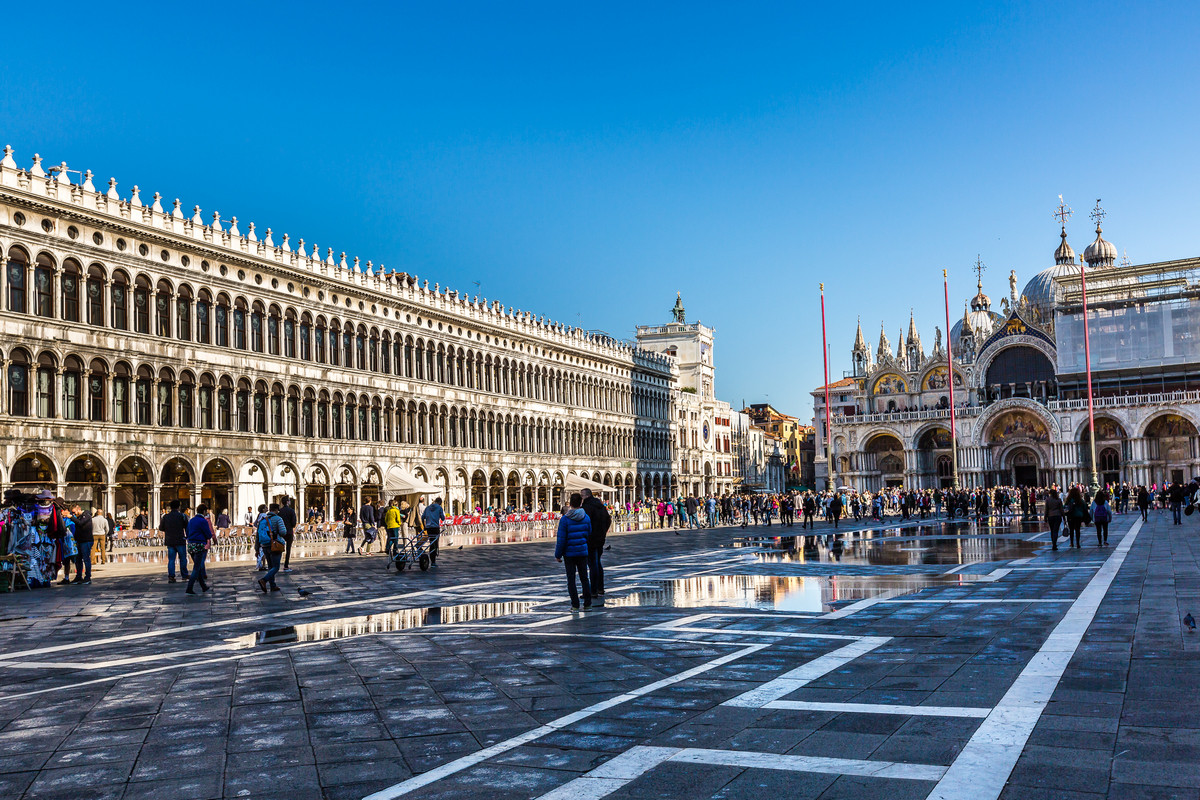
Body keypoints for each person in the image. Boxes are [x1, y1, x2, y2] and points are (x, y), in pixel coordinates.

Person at [554, 493, 592, 610]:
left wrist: (558, 554)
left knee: (571, 579)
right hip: (582, 551)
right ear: (581, 503)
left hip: (569, 553)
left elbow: (561, 539)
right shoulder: (586, 517)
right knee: (584, 578)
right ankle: (588, 604)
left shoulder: (565, 519)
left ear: (570, 503)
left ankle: (575, 605)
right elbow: (589, 533)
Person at [580, 488, 611, 597]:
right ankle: (600, 588)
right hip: (600, 538)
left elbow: (584, 523)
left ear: (586, 496)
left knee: (592, 564)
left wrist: (587, 534)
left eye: (582, 496)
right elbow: (608, 519)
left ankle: (593, 591)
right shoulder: (601, 506)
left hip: (590, 539)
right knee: (597, 563)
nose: (581, 498)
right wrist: (603, 532)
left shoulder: (587, 507)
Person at [256, 503, 287, 592]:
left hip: (264, 545)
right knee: (276, 567)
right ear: (276, 510)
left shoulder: (262, 519)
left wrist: (257, 548)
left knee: (270, 566)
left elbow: (258, 535)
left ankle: (273, 585)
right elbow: (283, 532)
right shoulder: (278, 519)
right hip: (274, 544)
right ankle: (264, 580)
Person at [185, 502, 214, 594]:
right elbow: (208, 534)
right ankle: (189, 587)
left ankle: (203, 586)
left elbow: (187, 532)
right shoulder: (203, 521)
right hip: (199, 544)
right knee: (197, 567)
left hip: (190, 545)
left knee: (198, 566)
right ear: (204, 511)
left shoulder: (191, 520)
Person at [160, 500, 190, 584]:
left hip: (170, 540)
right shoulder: (182, 516)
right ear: (178, 507)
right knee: (183, 558)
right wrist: (187, 537)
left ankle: (171, 576)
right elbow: (187, 527)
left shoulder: (166, 517)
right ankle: (184, 574)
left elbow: (161, 528)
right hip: (180, 540)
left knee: (171, 559)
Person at [69, 504, 94, 584]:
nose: (74, 514)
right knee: (78, 559)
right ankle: (78, 576)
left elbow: (80, 523)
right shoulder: (78, 517)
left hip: (86, 540)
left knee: (86, 559)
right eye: (72, 513)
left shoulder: (86, 516)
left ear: (79, 509)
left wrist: (71, 517)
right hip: (79, 541)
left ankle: (88, 577)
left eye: (74, 512)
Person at [421, 497, 446, 564]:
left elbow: (422, 517)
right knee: (435, 543)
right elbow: (443, 518)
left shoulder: (427, 507)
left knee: (431, 541)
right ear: (440, 502)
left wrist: (424, 526)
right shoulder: (439, 508)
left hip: (429, 527)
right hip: (435, 527)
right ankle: (433, 560)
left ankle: (432, 558)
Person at [279, 497, 298, 572]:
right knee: (288, 549)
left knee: (279, 548)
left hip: (281, 531)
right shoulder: (291, 511)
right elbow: (294, 523)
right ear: (287, 502)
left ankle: (277, 563)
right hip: (289, 531)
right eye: (289, 501)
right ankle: (286, 565)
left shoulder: (280, 511)